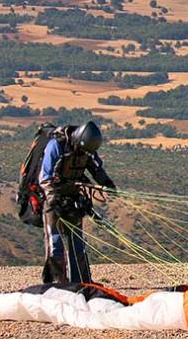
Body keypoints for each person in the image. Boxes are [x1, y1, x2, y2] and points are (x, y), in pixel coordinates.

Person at [39, 121, 116, 285]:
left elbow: (96, 169)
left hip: (74, 199)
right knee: (55, 243)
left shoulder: (87, 151)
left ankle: (81, 283)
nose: (84, 154)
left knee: (77, 243)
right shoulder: (56, 146)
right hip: (54, 201)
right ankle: (56, 283)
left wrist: (107, 184)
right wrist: (55, 200)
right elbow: (45, 179)